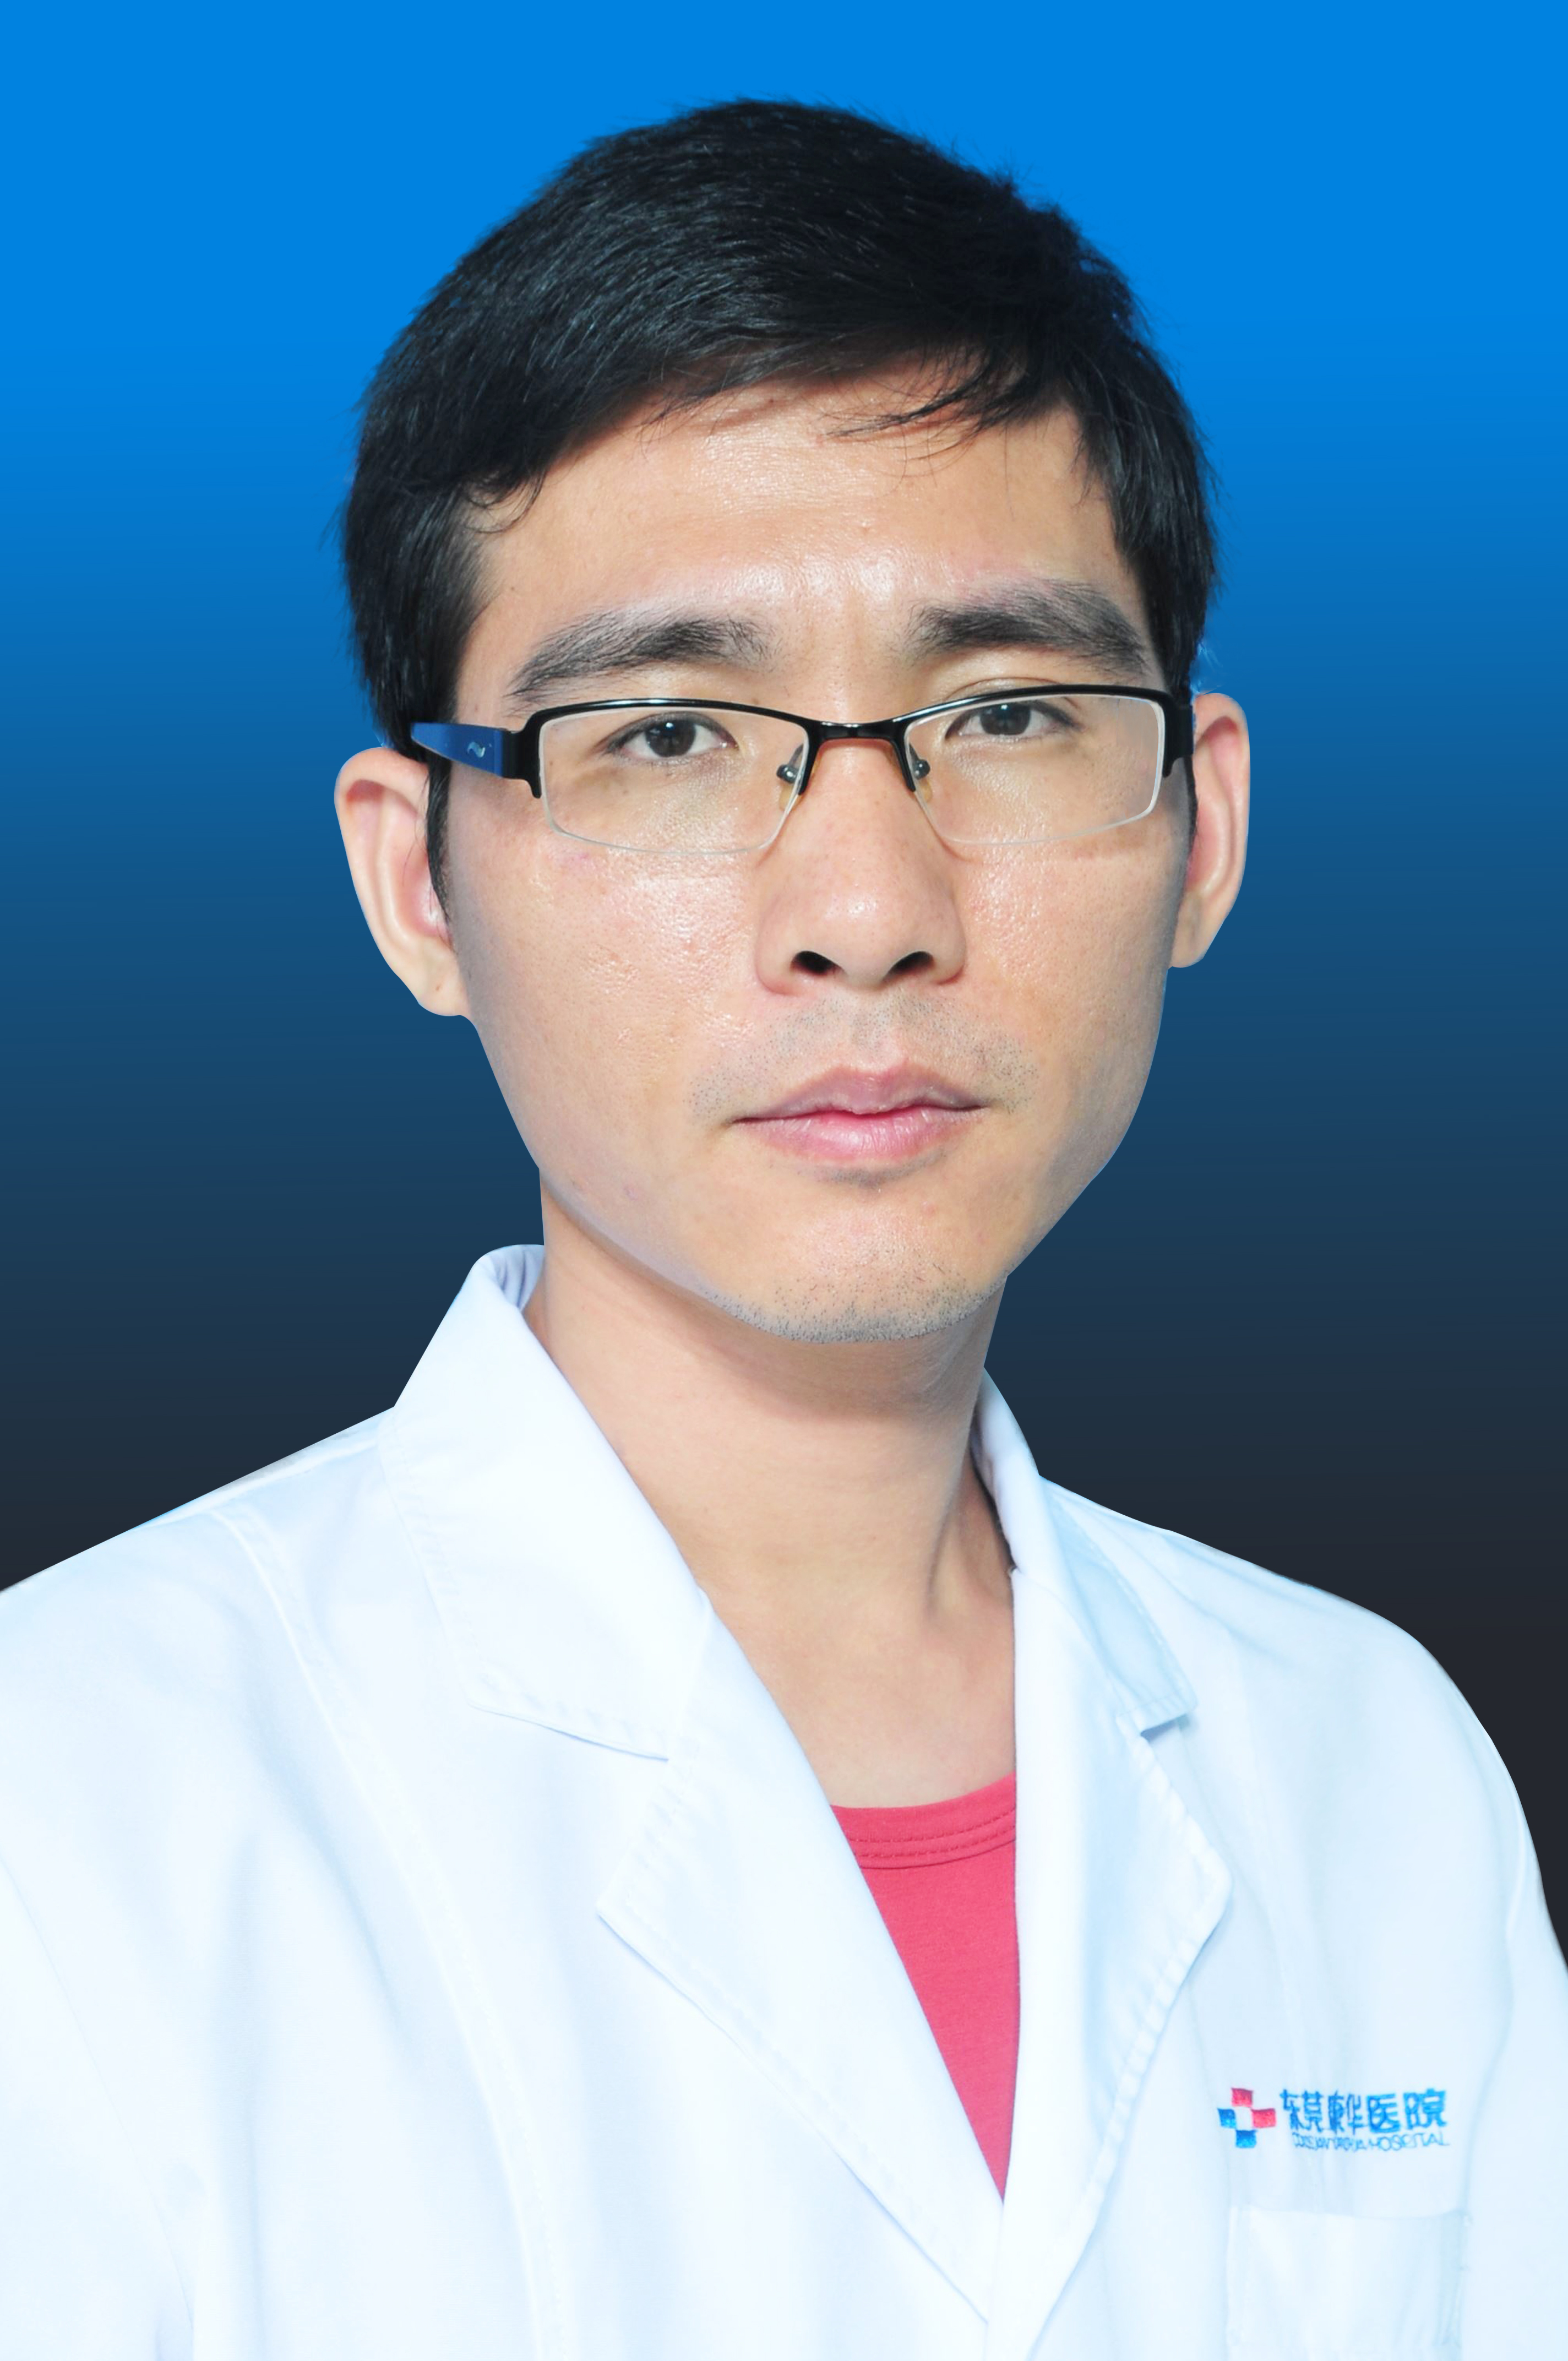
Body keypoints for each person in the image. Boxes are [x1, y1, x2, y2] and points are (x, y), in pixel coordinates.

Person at [1, 97, 1562, 2361]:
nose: (862, 909)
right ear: (415, 881)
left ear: (1201, 831)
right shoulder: (74, 1795)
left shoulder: (1370, 1766)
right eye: (665, 738)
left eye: (1006, 713)